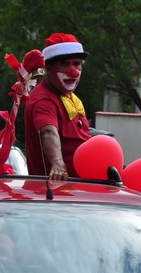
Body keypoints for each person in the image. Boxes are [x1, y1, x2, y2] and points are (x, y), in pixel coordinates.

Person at [24, 33, 92, 180]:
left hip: (79, 190)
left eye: (76, 63)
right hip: (56, 194)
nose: (73, 70)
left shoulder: (71, 98)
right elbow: (48, 131)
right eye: (64, 64)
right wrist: (57, 164)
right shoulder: (43, 98)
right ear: (47, 68)